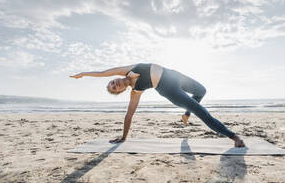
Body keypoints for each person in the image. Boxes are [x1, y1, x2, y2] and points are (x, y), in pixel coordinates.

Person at [70, 63, 245, 147]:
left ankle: (186, 115)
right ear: (120, 91)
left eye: (113, 82)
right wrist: (123, 137)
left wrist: (84, 74)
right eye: (115, 88)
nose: (116, 83)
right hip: (169, 89)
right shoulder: (135, 91)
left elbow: (102, 73)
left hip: (175, 75)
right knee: (202, 111)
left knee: (202, 91)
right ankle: (234, 137)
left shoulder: (127, 70)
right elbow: (129, 115)